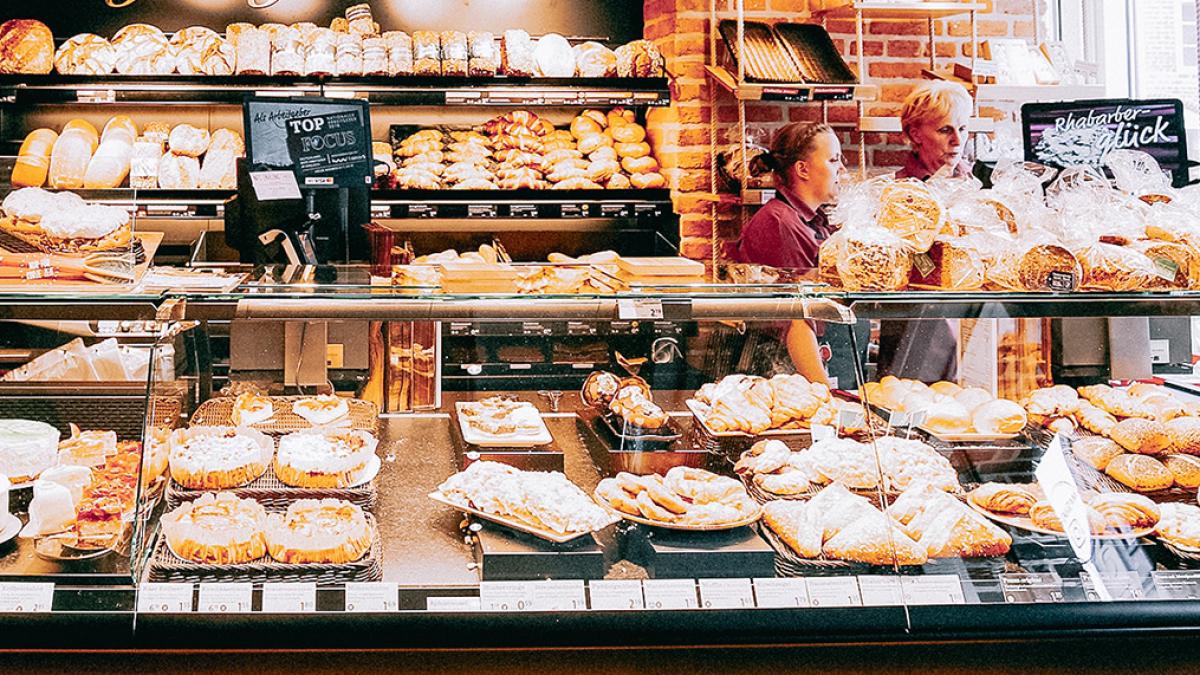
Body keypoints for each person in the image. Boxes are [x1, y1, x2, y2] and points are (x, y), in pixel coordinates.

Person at [732, 122, 866, 386]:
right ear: (802, 169)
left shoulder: (811, 222)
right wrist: (826, 396)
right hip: (788, 375)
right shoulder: (779, 223)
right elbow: (797, 320)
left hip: (814, 366)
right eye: (833, 159)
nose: (841, 168)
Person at [876, 81, 974, 382]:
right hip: (919, 334)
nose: (958, 140)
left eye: (963, 128)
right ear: (916, 134)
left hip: (977, 329)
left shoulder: (977, 191)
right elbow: (910, 266)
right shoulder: (898, 196)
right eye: (945, 130)